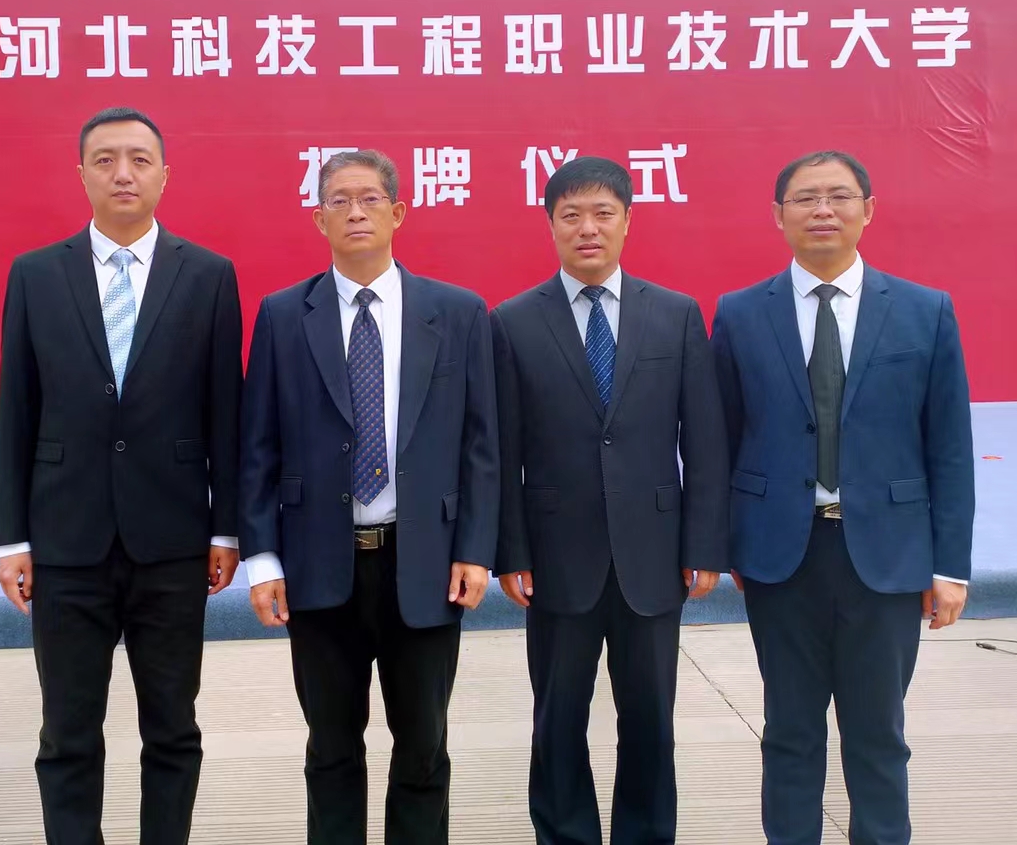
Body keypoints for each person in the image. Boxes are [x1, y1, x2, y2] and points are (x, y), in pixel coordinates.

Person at [0, 106, 243, 845]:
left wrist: (226, 527)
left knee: (173, 729)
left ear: (165, 174)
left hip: (173, 540)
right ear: (82, 175)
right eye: (105, 160)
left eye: (139, 159)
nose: (123, 173)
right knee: (68, 732)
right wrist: (12, 539)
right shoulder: (37, 274)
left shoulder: (208, 275)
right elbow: (17, 409)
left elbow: (225, 412)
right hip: (66, 540)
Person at [711, 150, 975, 845]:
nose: (822, 210)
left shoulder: (924, 310)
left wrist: (950, 566)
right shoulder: (740, 314)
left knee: (878, 733)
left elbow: (949, 448)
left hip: (887, 558)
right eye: (805, 198)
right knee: (789, 731)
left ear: (868, 210)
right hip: (781, 558)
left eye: (838, 196)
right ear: (779, 215)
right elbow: (721, 442)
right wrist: (726, 543)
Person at [237, 148, 500, 845]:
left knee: (423, 747)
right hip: (319, 567)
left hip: (425, 563)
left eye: (370, 199)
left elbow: (482, 445)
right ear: (318, 218)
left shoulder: (457, 313)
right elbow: (258, 445)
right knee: (330, 748)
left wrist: (475, 549)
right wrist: (262, 559)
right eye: (340, 201)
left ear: (398, 212)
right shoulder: (283, 315)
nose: (355, 212)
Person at [490, 155, 730, 845]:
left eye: (603, 213)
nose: (587, 228)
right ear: (551, 225)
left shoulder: (675, 315)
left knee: (651, 718)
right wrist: (511, 551)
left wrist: (704, 544)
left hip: (652, 556)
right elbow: (502, 452)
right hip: (556, 558)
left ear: (628, 221)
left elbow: (705, 441)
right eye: (571, 215)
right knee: (557, 718)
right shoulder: (512, 321)